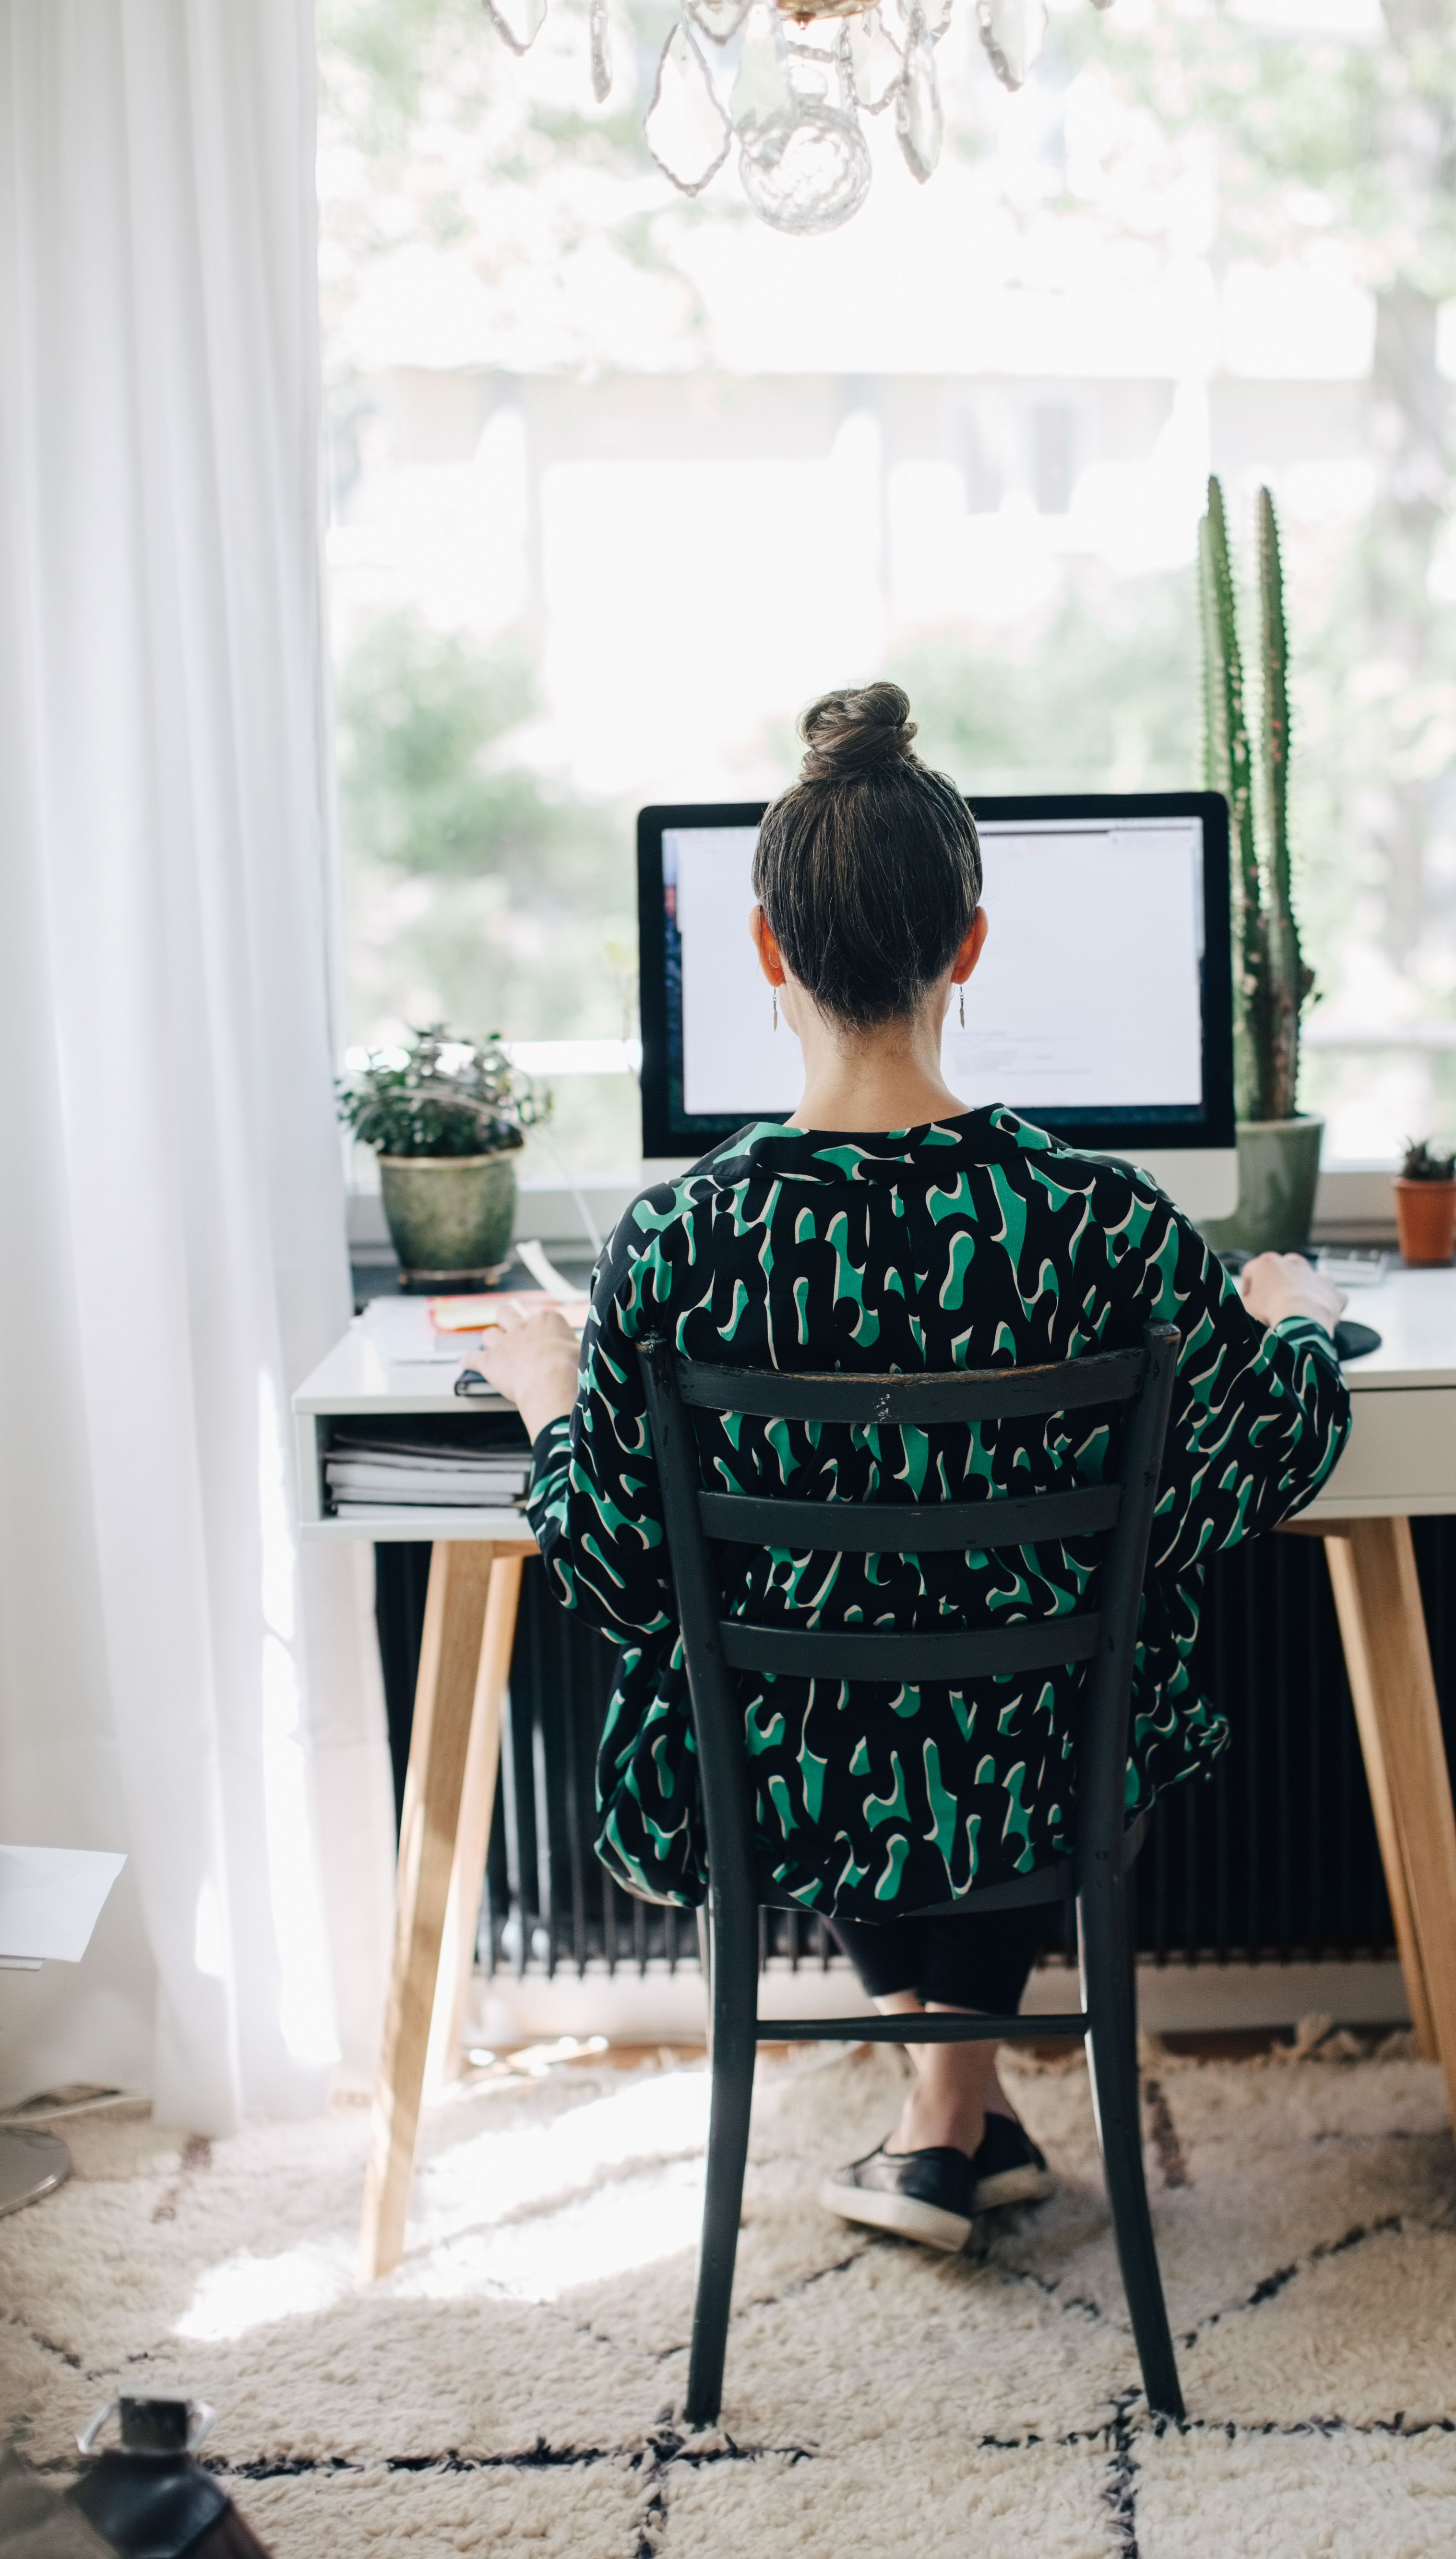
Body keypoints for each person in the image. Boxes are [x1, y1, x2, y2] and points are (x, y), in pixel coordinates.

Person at [477, 682, 1349, 2254]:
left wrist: (549, 1388)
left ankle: (945, 2118)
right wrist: (1286, 1318)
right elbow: (1267, 1458)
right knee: (977, 1672)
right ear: (972, 943)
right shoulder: (1106, 1218)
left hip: (786, 1778)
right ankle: (957, 2111)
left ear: (763, 955)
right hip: (1047, 1764)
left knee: (849, 1677)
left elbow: (610, 1558)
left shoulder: (682, 1242)